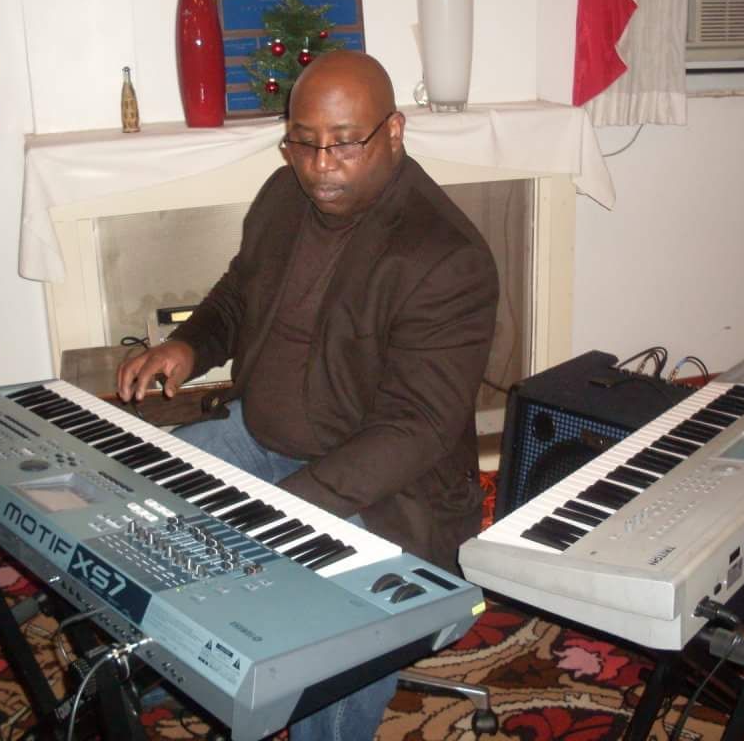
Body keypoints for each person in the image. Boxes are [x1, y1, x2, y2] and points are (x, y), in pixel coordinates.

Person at [117, 51, 499, 740]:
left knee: (326, 616)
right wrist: (189, 345)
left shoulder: (445, 256)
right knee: (142, 496)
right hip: (262, 435)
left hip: (390, 490)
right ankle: (187, 664)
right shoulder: (283, 193)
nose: (321, 165)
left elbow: (416, 427)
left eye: (345, 144)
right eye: (304, 142)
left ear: (393, 131)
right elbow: (240, 292)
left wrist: (285, 507)